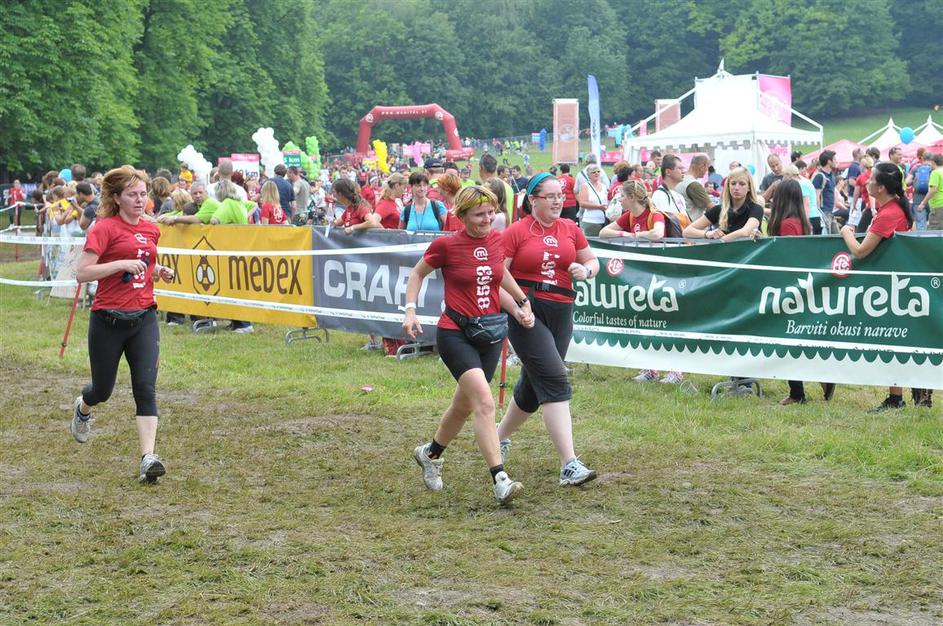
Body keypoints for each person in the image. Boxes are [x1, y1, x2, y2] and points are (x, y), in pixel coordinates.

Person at [404, 186, 535, 505]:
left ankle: (430, 454)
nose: (487, 219)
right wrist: (410, 310)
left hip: (490, 334)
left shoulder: (496, 241)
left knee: (463, 406)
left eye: (491, 212)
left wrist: (521, 302)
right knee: (485, 404)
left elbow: (498, 274)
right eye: (479, 214)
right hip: (455, 333)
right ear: (461, 216)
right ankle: (500, 479)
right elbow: (417, 274)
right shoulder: (446, 245)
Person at [71, 165, 176, 482]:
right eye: (132, 195)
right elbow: (82, 273)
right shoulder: (104, 228)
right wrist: (119, 264)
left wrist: (158, 271)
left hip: (144, 317)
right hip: (108, 319)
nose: (140, 200)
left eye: (143, 194)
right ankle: (84, 407)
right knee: (102, 389)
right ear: (116, 198)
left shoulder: (151, 229)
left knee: (145, 387)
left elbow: (143, 263)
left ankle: (148, 459)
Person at [497, 173, 599, 486]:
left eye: (561, 196)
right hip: (528, 309)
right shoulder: (516, 231)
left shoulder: (570, 228)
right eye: (550, 196)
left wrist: (585, 270)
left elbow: (593, 262)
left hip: (562, 310)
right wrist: (516, 308)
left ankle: (497, 437)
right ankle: (569, 464)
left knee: (533, 385)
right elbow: (496, 277)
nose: (558, 201)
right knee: (554, 378)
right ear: (533, 200)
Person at [840, 162, 929, 411]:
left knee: (896, 341)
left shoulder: (889, 214)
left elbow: (860, 251)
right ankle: (900, 395)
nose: (867, 182)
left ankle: (901, 397)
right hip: (894, 284)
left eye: (871, 180)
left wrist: (845, 232)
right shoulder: (893, 207)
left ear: (880, 188)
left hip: (894, 287)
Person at [600, 180, 685, 384]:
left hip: (663, 276)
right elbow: (604, 232)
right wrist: (625, 234)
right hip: (642, 277)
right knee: (646, 321)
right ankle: (650, 369)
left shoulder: (654, 214)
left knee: (667, 323)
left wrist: (635, 236)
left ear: (632, 197)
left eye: (622, 196)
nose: (619, 199)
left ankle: (676, 370)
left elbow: (657, 233)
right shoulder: (629, 216)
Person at [768, 180, 838, 405]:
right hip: (799, 286)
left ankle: (800, 391)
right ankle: (813, 382)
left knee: (789, 341)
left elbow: (788, 256)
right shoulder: (801, 221)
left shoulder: (788, 224)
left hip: (789, 288)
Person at [682, 167, 763, 242]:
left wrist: (720, 241)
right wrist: (707, 234)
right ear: (728, 186)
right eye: (733, 183)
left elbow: (745, 232)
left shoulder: (756, 208)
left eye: (742, 184)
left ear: (749, 187)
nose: (736, 188)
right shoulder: (718, 209)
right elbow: (686, 232)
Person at [653, 155, 692, 225]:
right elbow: (666, 223)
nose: (683, 171)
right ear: (668, 172)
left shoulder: (679, 196)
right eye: (679, 168)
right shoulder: (660, 195)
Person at [783, 162, 821, 234]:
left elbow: (806, 205)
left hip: (810, 217)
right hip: (813, 215)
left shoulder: (801, 184)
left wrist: (805, 222)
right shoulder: (804, 181)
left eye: (784, 175)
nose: (784, 178)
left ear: (789, 175)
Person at [676, 154, 715, 222]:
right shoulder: (693, 184)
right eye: (707, 167)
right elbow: (712, 207)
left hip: (683, 223)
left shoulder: (680, 180)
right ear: (702, 166)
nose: (707, 171)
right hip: (693, 225)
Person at [576, 163, 608, 236]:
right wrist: (599, 206)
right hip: (591, 221)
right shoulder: (585, 186)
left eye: (598, 171)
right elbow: (582, 203)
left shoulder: (603, 186)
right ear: (589, 175)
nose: (596, 173)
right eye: (593, 172)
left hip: (604, 220)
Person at [915, 153, 943, 231]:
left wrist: (923, 203)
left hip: (938, 205)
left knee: (935, 230)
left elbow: (933, 190)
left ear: (933, 162)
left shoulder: (935, 173)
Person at [812, 150, 838, 233]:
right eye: (834, 159)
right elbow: (816, 196)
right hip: (823, 212)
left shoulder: (832, 176)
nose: (836, 161)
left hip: (830, 212)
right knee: (827, 237)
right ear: (829, 161)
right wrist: (819, 213)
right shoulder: (820, 176)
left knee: (836, 236)